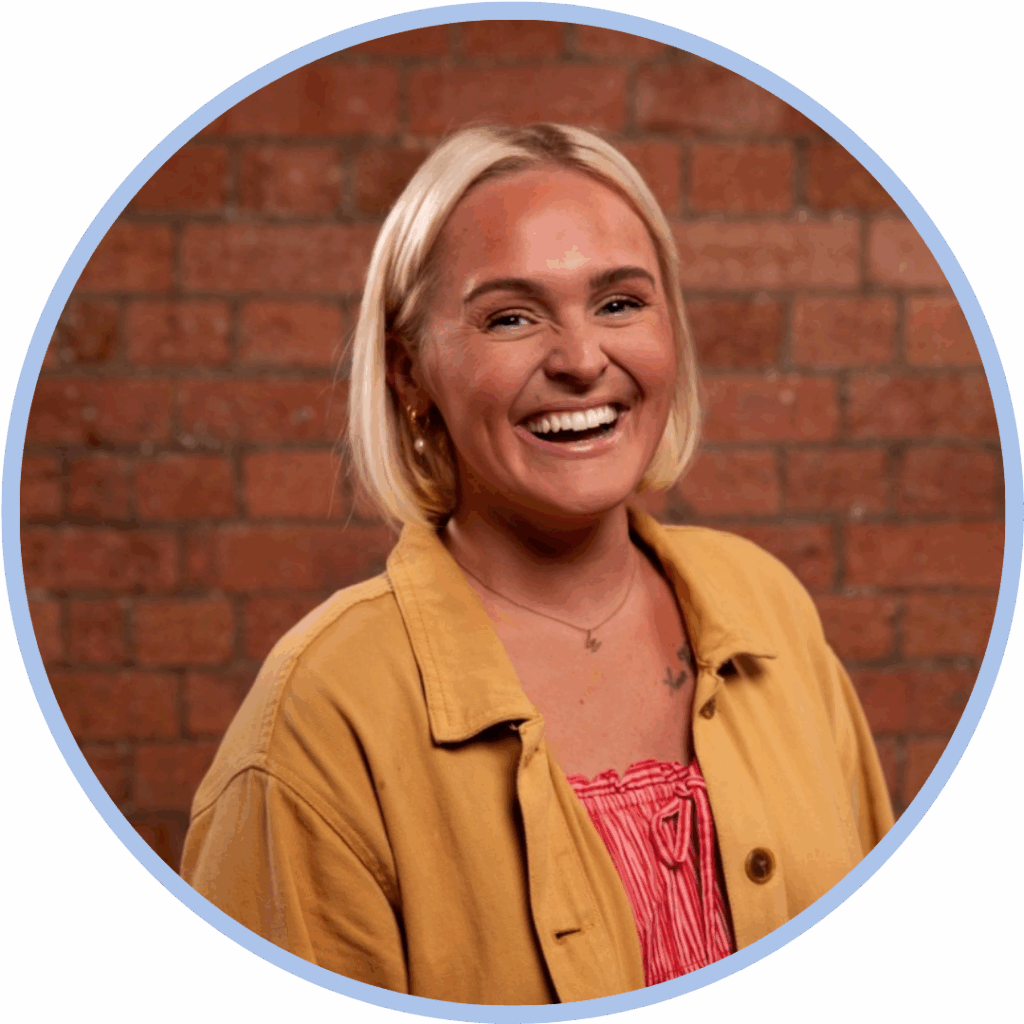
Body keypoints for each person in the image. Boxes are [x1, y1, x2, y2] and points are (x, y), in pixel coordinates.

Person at [180, 123, 894, 1004]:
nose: (583, 360)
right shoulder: (317, 717)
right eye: (511, 317)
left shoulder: (766, 604)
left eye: (621, 303)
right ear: (411, 372)